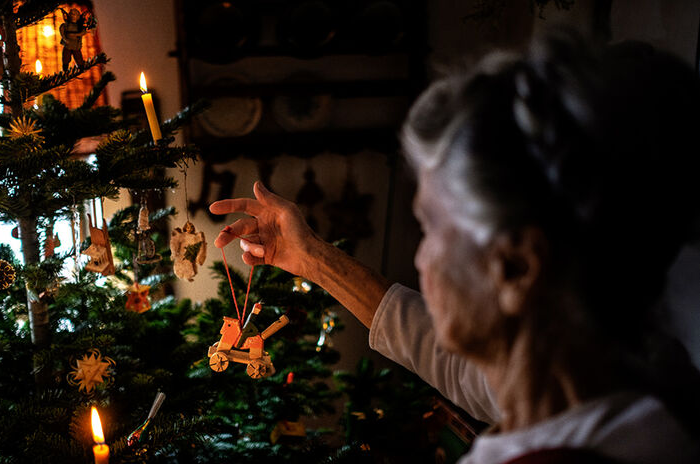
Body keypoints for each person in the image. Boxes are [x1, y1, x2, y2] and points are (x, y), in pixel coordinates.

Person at [210, 30, 700, 463]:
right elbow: (448, 359)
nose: (421, 258)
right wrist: (312, 258)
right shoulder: (598, 388)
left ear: (516, 267)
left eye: (432, 229)